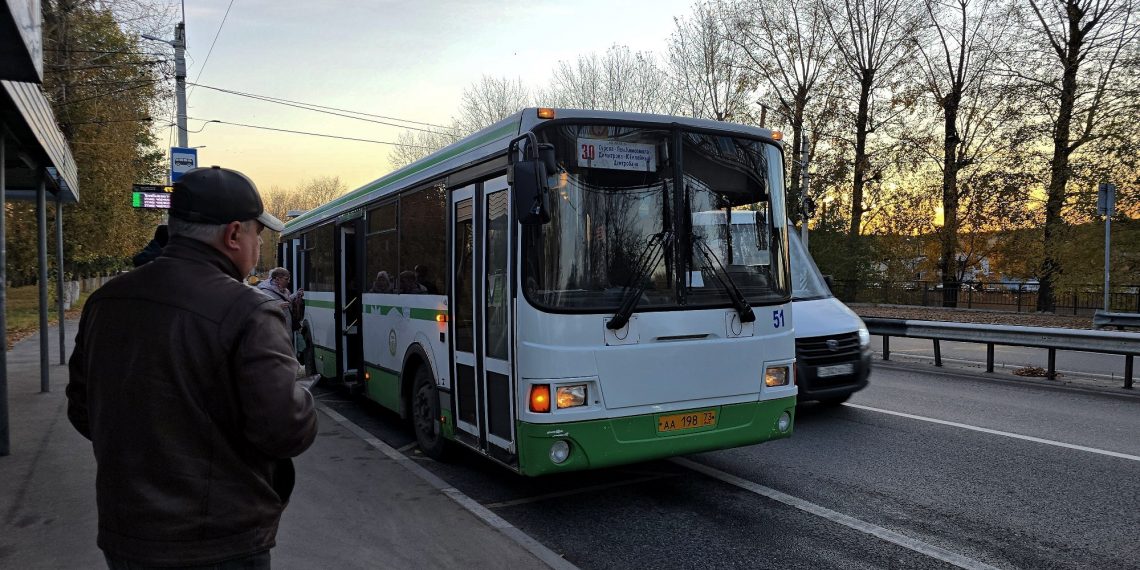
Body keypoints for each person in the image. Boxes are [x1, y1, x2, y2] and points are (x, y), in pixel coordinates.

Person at [66, 166, 317, 569]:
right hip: (221, 541)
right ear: (234, 235)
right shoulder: (250, 311)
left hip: (126, 535)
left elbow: (82, 410)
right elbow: (284, 430)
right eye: (258, 233)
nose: (258, 243)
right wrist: (302, 400)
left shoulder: (105, 301)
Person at [258, 267, 304, 332]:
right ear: (277, 279)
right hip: (274, 334)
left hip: (286, 331)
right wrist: (277, 307)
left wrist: (296, 294)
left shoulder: (285, 290)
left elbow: (286, 300)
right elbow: (260, 311)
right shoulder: (265, 291)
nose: (289, 281)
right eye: (286, 279)